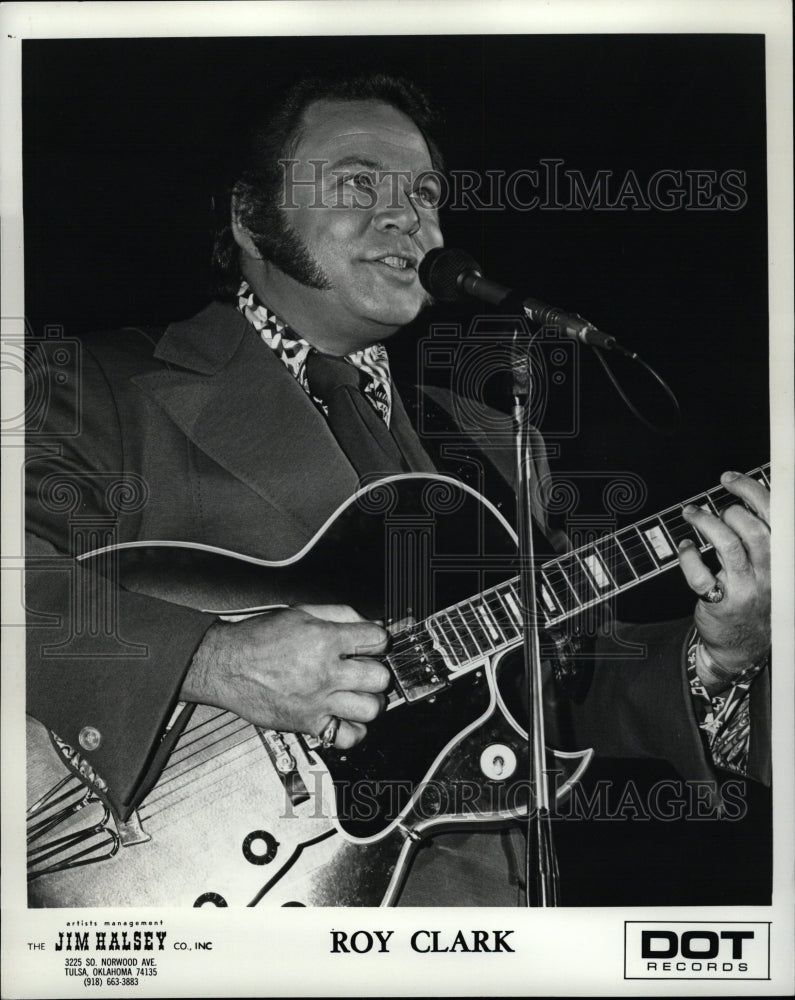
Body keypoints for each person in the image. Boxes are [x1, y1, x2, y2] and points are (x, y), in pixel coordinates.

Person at [25, 73, 771, 906]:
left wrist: (718, 656)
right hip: (196, 897)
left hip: (472, 917)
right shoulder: (93, 383)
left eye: (423, 193)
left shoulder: (492, 440)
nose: (405, 216)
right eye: (356, 185)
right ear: (248, 217)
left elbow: (560, 689)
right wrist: (215, 659)